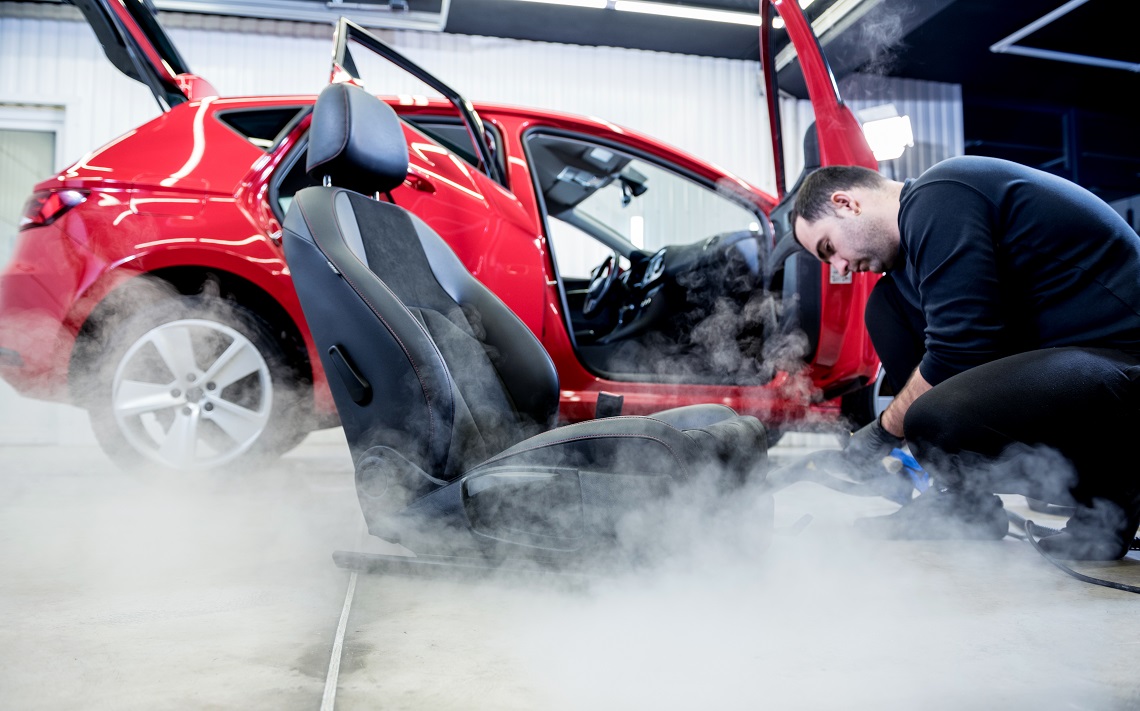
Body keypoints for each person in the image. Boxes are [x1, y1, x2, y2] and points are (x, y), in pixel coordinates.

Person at [792, 155, 1140, 560]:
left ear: (846, 203)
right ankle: (963, 502)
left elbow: (962, 350)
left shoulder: (940, 196)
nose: (840, 267)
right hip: (1082, 362)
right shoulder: (917, 243)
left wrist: (882, 432)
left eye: (829, 248)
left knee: (930, 419)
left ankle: (1108, 505)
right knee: (887, 308)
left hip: (1127, 361)